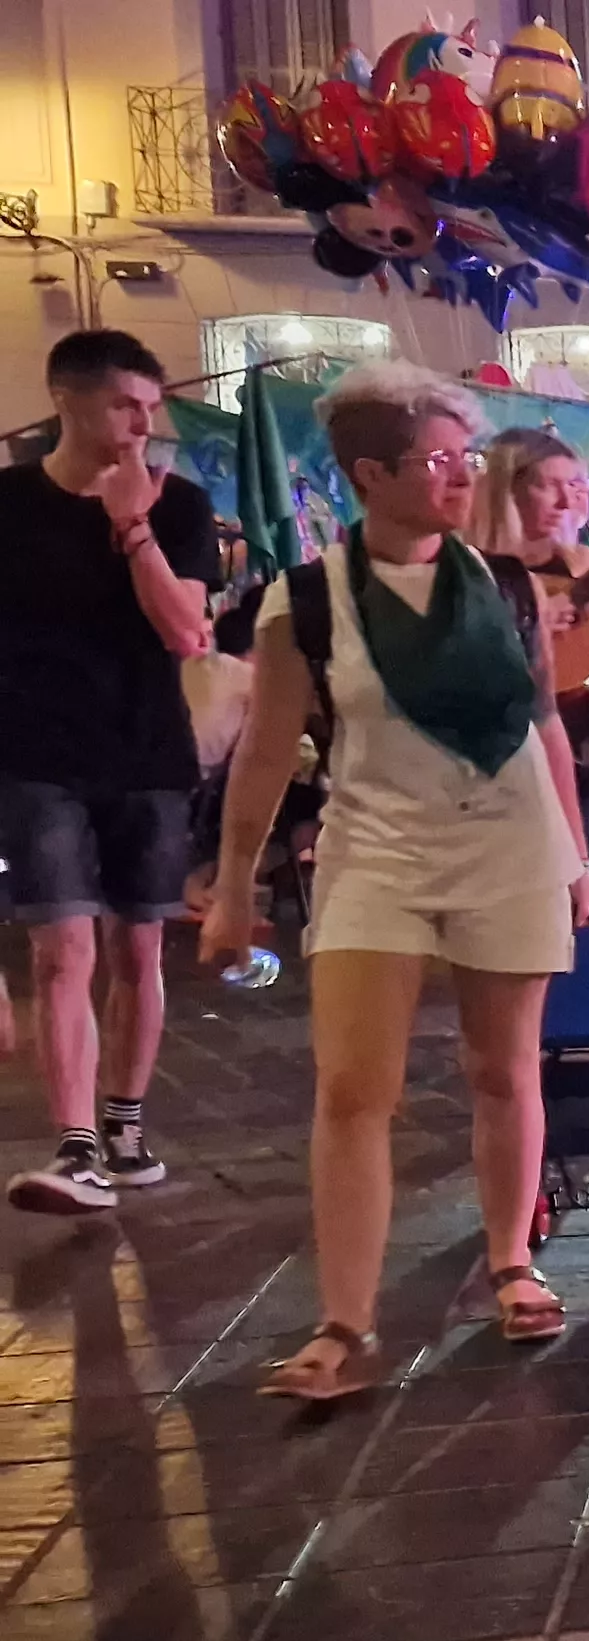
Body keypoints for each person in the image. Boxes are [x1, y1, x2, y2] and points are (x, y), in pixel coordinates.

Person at [205, 360, 589, 1399]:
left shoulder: (507, 585)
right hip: (374, 853)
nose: (462, 477)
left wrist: (576, 855)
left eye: (466, 459)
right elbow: (264, 749)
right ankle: (345, 1324)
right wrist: (234, 883)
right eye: (436, 461)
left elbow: (546, 727)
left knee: (503, 1071)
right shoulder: (308, 600)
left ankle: (511, 1263)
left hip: (510, 848)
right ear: (368, 475)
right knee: (351, 1089)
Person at [1, 329, 220, 1214]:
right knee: (61, 948)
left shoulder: (179, 505)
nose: (141, 424)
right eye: (125, 404)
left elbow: (185, 631)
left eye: (150, 407)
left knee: (138, 946)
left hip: (145, 750)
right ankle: (77, 1147)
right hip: (33, 754)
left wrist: (133, 526)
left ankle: (125, 1125)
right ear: (68, 399)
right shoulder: (9, 504)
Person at [471, 427, 589, 913]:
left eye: (575, 484)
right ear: (507, 489)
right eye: (548, 485)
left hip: (586, 749)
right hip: (501, 755)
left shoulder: (580, 561)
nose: (566, 499)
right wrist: (542, 617)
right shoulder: (472, 571)